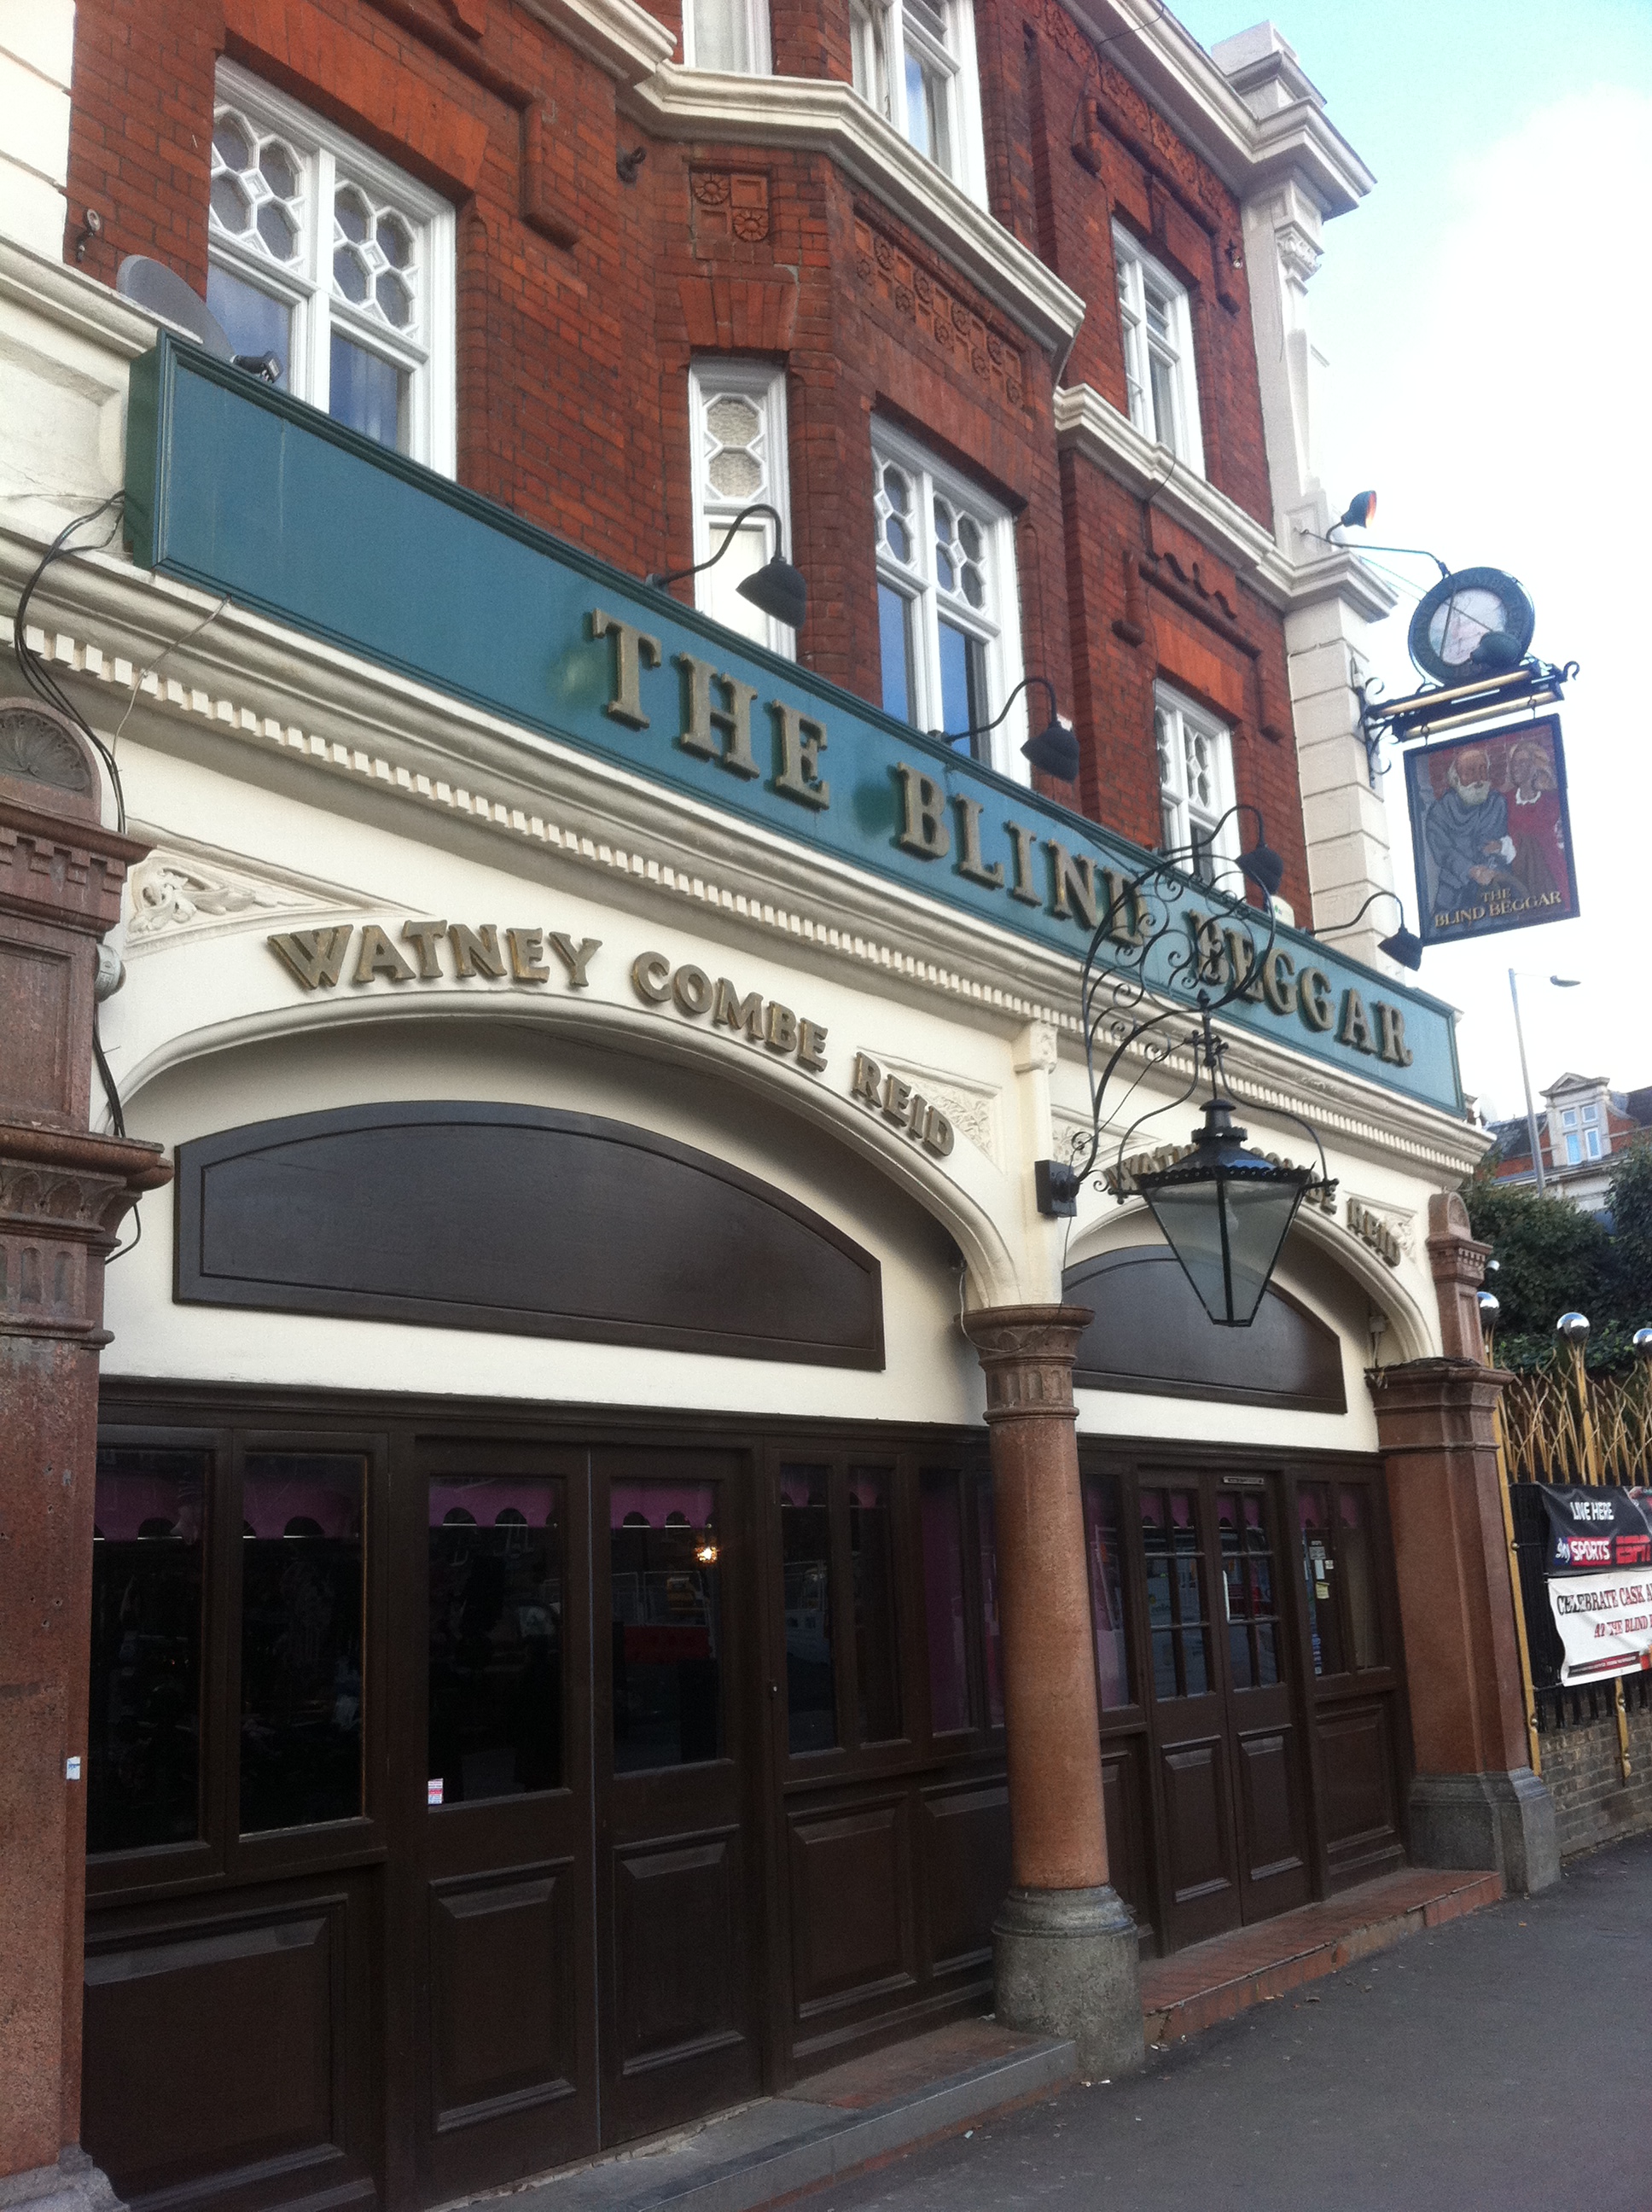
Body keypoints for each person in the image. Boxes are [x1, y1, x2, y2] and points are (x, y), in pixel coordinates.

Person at [1423, 744, 1514, 915]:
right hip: (1452, 897)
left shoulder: (1497, 803)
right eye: (1470, 772)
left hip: (1494, 893)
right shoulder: (1439, 811)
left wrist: (1490, 867)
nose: (1478, 779)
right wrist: (1471, 870)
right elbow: (1444, 852)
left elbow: (1492, 843)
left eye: (1482, 770)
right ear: (1456, 778)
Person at [1503, 735, 1567, 907]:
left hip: (1551, 879)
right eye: (1513, 763)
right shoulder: (1505, 802)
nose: (1516, 767)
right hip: (1516, 882)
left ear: (1534, 766)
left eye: (1522, 762)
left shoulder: (1551, 801)